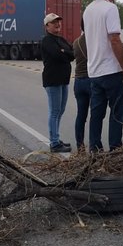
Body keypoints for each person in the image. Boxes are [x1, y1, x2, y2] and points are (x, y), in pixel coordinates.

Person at [83, 0, 123, 152]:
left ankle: (95, 149)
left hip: (94, 71)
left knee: (96, 114)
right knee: (117, 113)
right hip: (111, 70)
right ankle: (115, 149)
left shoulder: (88, 10)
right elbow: (115, 39)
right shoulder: (110, 9)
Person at [41, 13, 74, 153]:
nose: (57, 24)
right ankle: (54, 143)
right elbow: (57, 55)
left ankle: (56, 137)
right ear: (47, 25)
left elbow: (72, 54)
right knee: (54, 111)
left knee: (60, 110)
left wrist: (64, 51)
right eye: (54, 22)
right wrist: (64, 52)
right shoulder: (47, 40)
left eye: (58, 21)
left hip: (63, 80)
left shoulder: (61, 39)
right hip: (53, 80)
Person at [73, 27, 90, 152]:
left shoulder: (76, 42)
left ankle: (80, 145)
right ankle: (95, 145)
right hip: (91, 80)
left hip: (78, 81)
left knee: (81, 115)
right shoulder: (93, 40)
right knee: (96, 115)